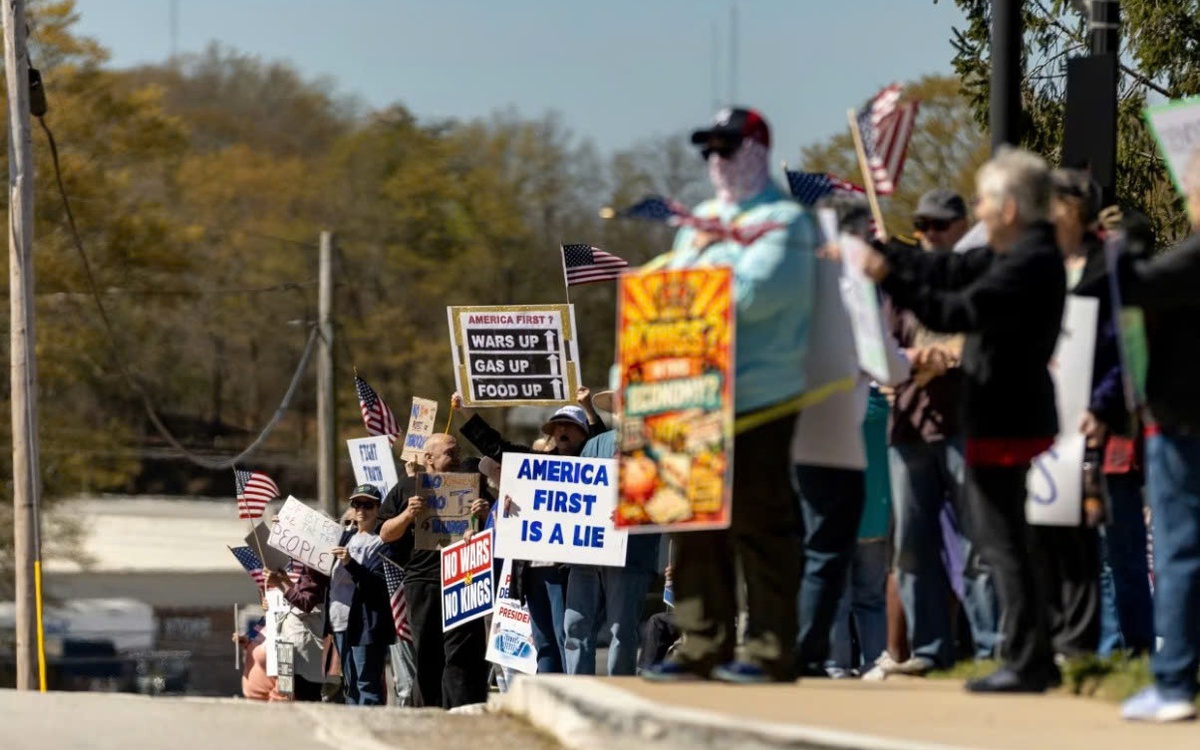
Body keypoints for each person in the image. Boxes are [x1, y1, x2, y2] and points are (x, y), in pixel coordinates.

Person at [857, 147, 1066, 692]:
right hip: (1001, 412)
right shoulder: (1013, 249)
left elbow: (952, 311)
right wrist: (883, 251)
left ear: (1011, 207)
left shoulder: (1027, 261)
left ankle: (1026, 659)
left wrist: (887, 275)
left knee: (1002, 543)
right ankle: (1029, 654)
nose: (977, 209)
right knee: (1006, 540)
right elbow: (945, 267)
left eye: (984, 200)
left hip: (1007, 414)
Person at [641, 107, 815, 683]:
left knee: (760, 522)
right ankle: (702, 642)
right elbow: (661, 290)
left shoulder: (786, 221)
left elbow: (752, 295)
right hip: (692, 395)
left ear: (758, 150)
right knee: (691, 526)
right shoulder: (701, 221)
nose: (718, 160)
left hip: (763, 396)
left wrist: (689, 290)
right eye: (710, 150)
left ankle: (769, 648)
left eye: (729, 147)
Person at [876, 188, 1000, 680]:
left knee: (977, 541)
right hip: (908, 424)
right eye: (921, 224)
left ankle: (991, 646)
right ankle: (928, 649)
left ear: (959, 226)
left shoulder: (978, 276)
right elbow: (879, 349)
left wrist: (951, 354)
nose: (928, 234)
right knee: (911, 543)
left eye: (938, 225)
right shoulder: (900, 283)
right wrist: (911, 360)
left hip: (965, 423)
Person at [791, 194, 910, 676]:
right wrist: (908, 364)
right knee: (829, 563)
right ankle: (817, 659)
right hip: (837, 438)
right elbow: (884, 362)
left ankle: (811, 655)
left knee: (812, 559)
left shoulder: (796, 278)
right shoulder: (855, 282)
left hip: (786, 434)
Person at [1116, 148, 1200, 723]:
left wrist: (1133, 237)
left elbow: (1136, 285)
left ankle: (1173, 684)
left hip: (1182, 426)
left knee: (1178, 551)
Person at [451, 393, 595, 674]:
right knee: (544, 643)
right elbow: (496, 445)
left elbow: (603, 436)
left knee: (569, 638)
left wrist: (588, 407)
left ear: (583, 433)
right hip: (532, 570)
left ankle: (575, 699)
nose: (562, 431)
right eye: (557, 427)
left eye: (569, 426)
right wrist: (465, 411)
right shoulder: (536, 463)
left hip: (569, 570)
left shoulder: (594, 464)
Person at [379, 433, 491, 708]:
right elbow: (384, 533)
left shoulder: (473, 485)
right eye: (450, 453)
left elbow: (497, 526)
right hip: (423, 581)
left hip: (465, 578)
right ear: (428, 458)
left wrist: (486, 515)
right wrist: (407, 515)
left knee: (464, 653)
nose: (457, 458)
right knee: (428, 654)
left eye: (458, 452)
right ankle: (428, 712)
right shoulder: (407, 487)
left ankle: (463, 711)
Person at [562, 386, 661, 676]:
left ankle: (620, 687)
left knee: (622, 629)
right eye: (618, 406)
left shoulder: (656, 448)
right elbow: (570, 491)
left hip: (630, 553)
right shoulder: (595, 446)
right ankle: (577, 690)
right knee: (575, 626)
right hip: (585, 552)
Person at [326, 484, 396, 705]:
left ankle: (372, 729)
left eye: (367, 505)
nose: (360, 510)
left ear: (378, 508)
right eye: (356, 504)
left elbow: (378, 585)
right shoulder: (346, 538)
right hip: (340, 620)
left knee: (367, 683)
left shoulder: (382, 541)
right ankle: (355, 727)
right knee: (350, 683)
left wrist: (350, 563)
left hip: (366, 623)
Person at [265, 564, 330, 702]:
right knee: (290, 695)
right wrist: (287, 582)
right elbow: (303, 595)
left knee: (306, 696)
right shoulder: (309, 568)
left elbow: (305, 602)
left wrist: (279, 584)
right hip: (292, 644)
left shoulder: (315, 567)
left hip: (305, 646)